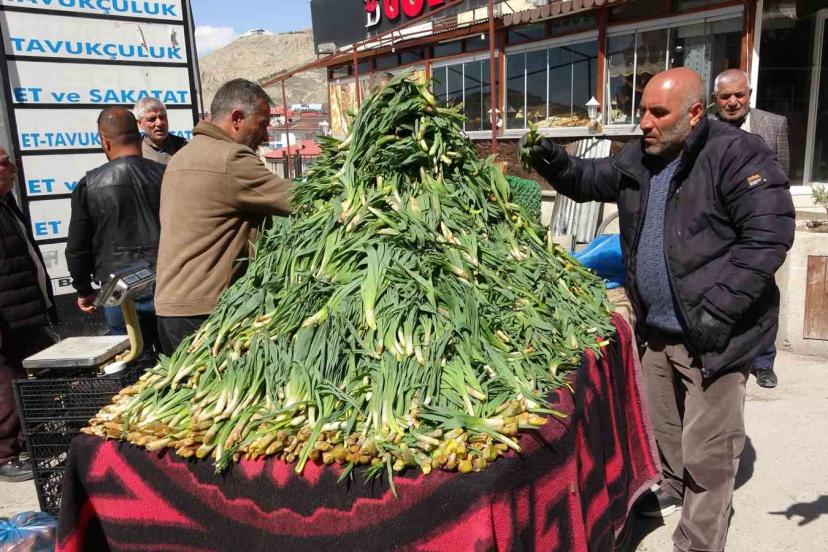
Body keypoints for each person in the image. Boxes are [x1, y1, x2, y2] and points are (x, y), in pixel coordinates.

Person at [522, 67, 795, 552]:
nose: (644, 122)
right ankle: (671, 485)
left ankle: (698, 541)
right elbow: (587, 180)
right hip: (658, 330)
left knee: (709, 452)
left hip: (714, 336)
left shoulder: (736, 154)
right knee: (664, 428)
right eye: (642, 110)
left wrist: (719, 311)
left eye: (658, 112)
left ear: (694, 113)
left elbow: (768, 237)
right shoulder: (641, 158)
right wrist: (553, 161)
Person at [154, 79, 293, 355]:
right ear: (237, 118)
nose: (265, 136)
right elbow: (300, 199)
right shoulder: (231, 158)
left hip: (172, 308)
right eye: (262, 124)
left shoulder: (182, 156)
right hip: (206, 311)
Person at [713, 68, 791, 388]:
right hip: (719, 230)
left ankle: (764, 361)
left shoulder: (773, 125)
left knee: (762, 294)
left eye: (739, 95)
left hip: (759, 231)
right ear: (715, 99)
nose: (733, 102)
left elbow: (782, 176)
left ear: (749, 95)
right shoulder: (704, 128)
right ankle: (725, 354)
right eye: (725, 96)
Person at [65, 107, 165, 353]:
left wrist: (83, 289)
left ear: (105, 141)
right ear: (139, 136)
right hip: (165, 284)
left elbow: (77, 248)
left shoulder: (88, 185)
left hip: (119, 292)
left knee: (130, 363)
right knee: (174, 361)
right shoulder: (166, 175)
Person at [0, 145, 56, 482]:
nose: (12, 168)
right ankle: (6, 455)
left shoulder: (7, 204)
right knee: (6, 389)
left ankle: (28, 442)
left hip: (25, 311)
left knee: (27, 382)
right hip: (7, 319)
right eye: (4, 163)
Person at [135, 97, 188, 165]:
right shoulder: (136, 151)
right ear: (139, 123)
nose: (159, 123)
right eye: (152, 119)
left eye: (162, 117)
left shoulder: (184, 146)